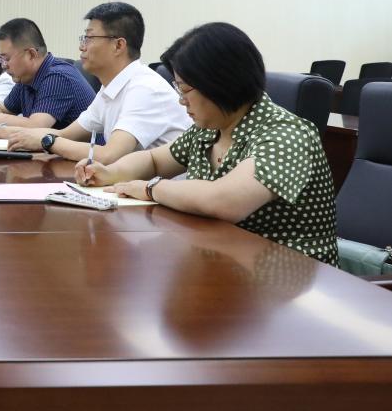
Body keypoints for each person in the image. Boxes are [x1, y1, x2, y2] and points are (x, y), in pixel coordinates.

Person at [76, 23, 337, 264]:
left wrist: (150, 188)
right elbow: (154, 160)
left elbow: (225, 201)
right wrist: (110, 173)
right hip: (221, 260)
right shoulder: (210, 128)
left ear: (220, 84)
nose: (181, 101)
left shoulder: (287, 135)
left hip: (283, 275)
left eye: (185, 90)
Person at [0, 3, 190, 163]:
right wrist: (6, 133)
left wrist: (47, 142)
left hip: (162, 195)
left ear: (118, 45)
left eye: (89, 38)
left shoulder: (145, 89)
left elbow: (109, 155)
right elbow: (65, 134)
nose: (81, 47)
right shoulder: (110, 88)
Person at [0, 18, 94, 133]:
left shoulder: (58, 76)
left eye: (7, 59)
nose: (4, 65)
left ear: (31, 54)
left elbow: (36, 127)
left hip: (86, 154)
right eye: (1, 59)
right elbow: (2, 109)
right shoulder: (25, 78)